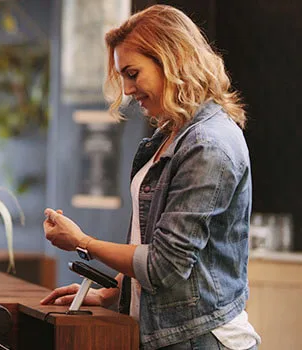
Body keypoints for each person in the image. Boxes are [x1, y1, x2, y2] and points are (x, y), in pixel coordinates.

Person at [41, 5, 260, 350]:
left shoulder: (208, 145)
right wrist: (115, 291)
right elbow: (157, 240)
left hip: (199, 339)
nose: (127, 89)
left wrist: (82, 242)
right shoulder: (172, 135)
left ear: (171, 61)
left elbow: (164, 265)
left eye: (132, 73)